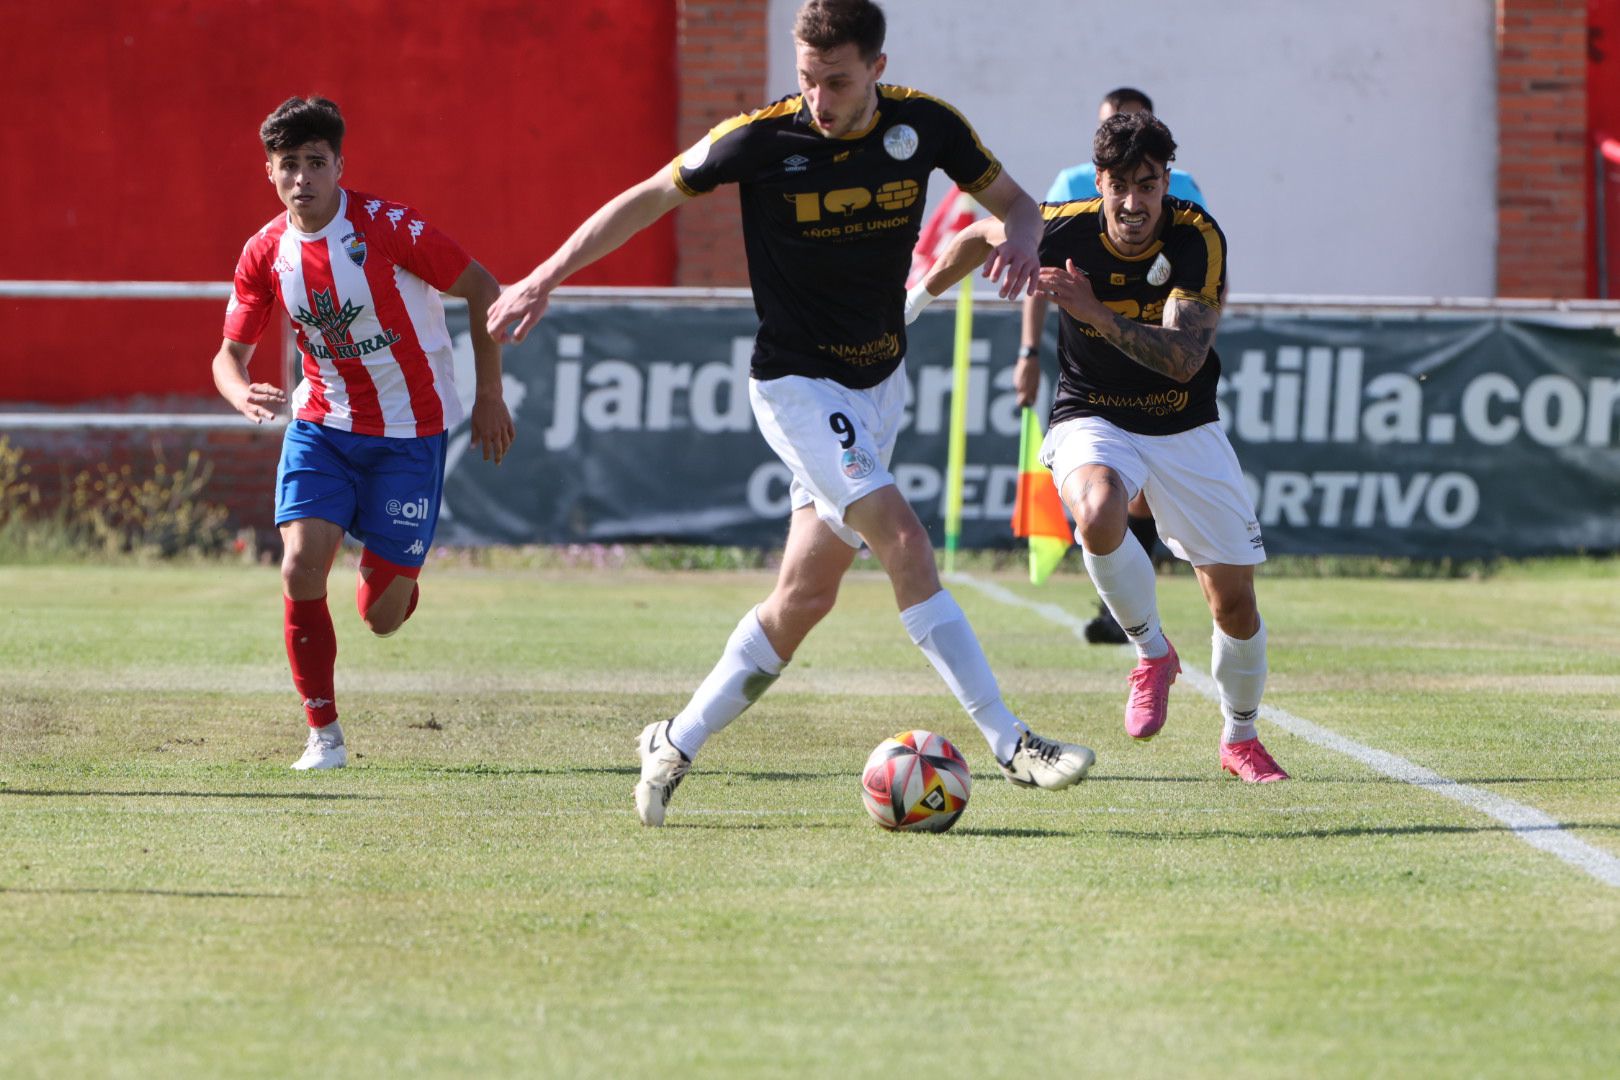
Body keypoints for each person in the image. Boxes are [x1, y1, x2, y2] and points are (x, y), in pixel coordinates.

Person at [488, 0, 1095, 826]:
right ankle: (1012, 743)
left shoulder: (928, 126)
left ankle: (674, 738)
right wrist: (546, 274)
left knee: (804, 598)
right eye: (806, 79)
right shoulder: (761, 138)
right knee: (906, 544)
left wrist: (1022, 238)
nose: (819, 98)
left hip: (881, 387)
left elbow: (1019, 204)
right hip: (797, 386)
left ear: (877, 68)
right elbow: (647, 196)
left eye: (837, 81)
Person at [910, 110, 1287, 783]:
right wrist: (909, 307)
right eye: (1120, 186)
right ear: (1102, 183)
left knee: (1232, 600)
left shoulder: (1198, 237)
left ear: (1167, 182)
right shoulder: (1065, 224)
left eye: (1147, 186)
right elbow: (974, 236)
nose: (1133, 204)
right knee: (1098, 507)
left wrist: (1094, 313)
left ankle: (1241, 738)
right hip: (1092, 415)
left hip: (1182, 421)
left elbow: (1183, 360)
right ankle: (1151, 653)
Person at [212, 96, 515, 770]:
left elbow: (484, 288)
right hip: (322, 427)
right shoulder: (265, 251)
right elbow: (228, 355)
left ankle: (397, 576)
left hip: (410, 435)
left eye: (315, 163)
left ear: (339, 166)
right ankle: (324, 737)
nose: (302, 178)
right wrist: (238, 392)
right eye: (288, 165)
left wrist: (489, 394)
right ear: (270, 172)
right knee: (298, 566)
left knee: (380, 615)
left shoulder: (388, 227)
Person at [1021, 88, 1205, 644]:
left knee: (1148, 494)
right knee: (1102, 497)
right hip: (1092, 369)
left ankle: (1131, 612)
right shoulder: (1072, 185)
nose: (1131, 194)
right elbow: (1038, 266)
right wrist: (1028, 351)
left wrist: (1197, 330)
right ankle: (1128, 621)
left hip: (1159, 357)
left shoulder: (1184, 192)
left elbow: (1205, 265)